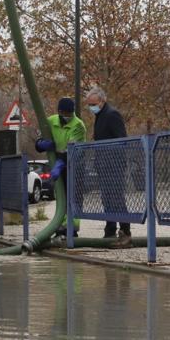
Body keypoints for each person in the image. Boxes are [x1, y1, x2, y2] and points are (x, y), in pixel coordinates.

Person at [86, 85, 131, 246]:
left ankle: (125, 232)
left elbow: (121, 139)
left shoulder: (112, 115)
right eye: (89, 104)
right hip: (103, 165)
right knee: (107, 199)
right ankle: (110, 230)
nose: (91, 107)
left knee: (117, 198)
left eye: (93, 104)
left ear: (102, 101)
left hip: (114, 165)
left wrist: (113, 158)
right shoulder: (100, 116)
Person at [35, 97, 86, 238]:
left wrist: (60, 163)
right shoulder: (51, 121)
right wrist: (40, 144)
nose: (67, 117)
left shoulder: (78, 126)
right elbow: (39, 138)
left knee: (73, 197)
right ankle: (60, 227)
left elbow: (73, 150)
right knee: (61, 196)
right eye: (64, 113)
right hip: (59, 162)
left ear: (73, 112)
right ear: (59, 112)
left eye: (69, 114)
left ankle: (72, 229)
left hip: (75, 165)